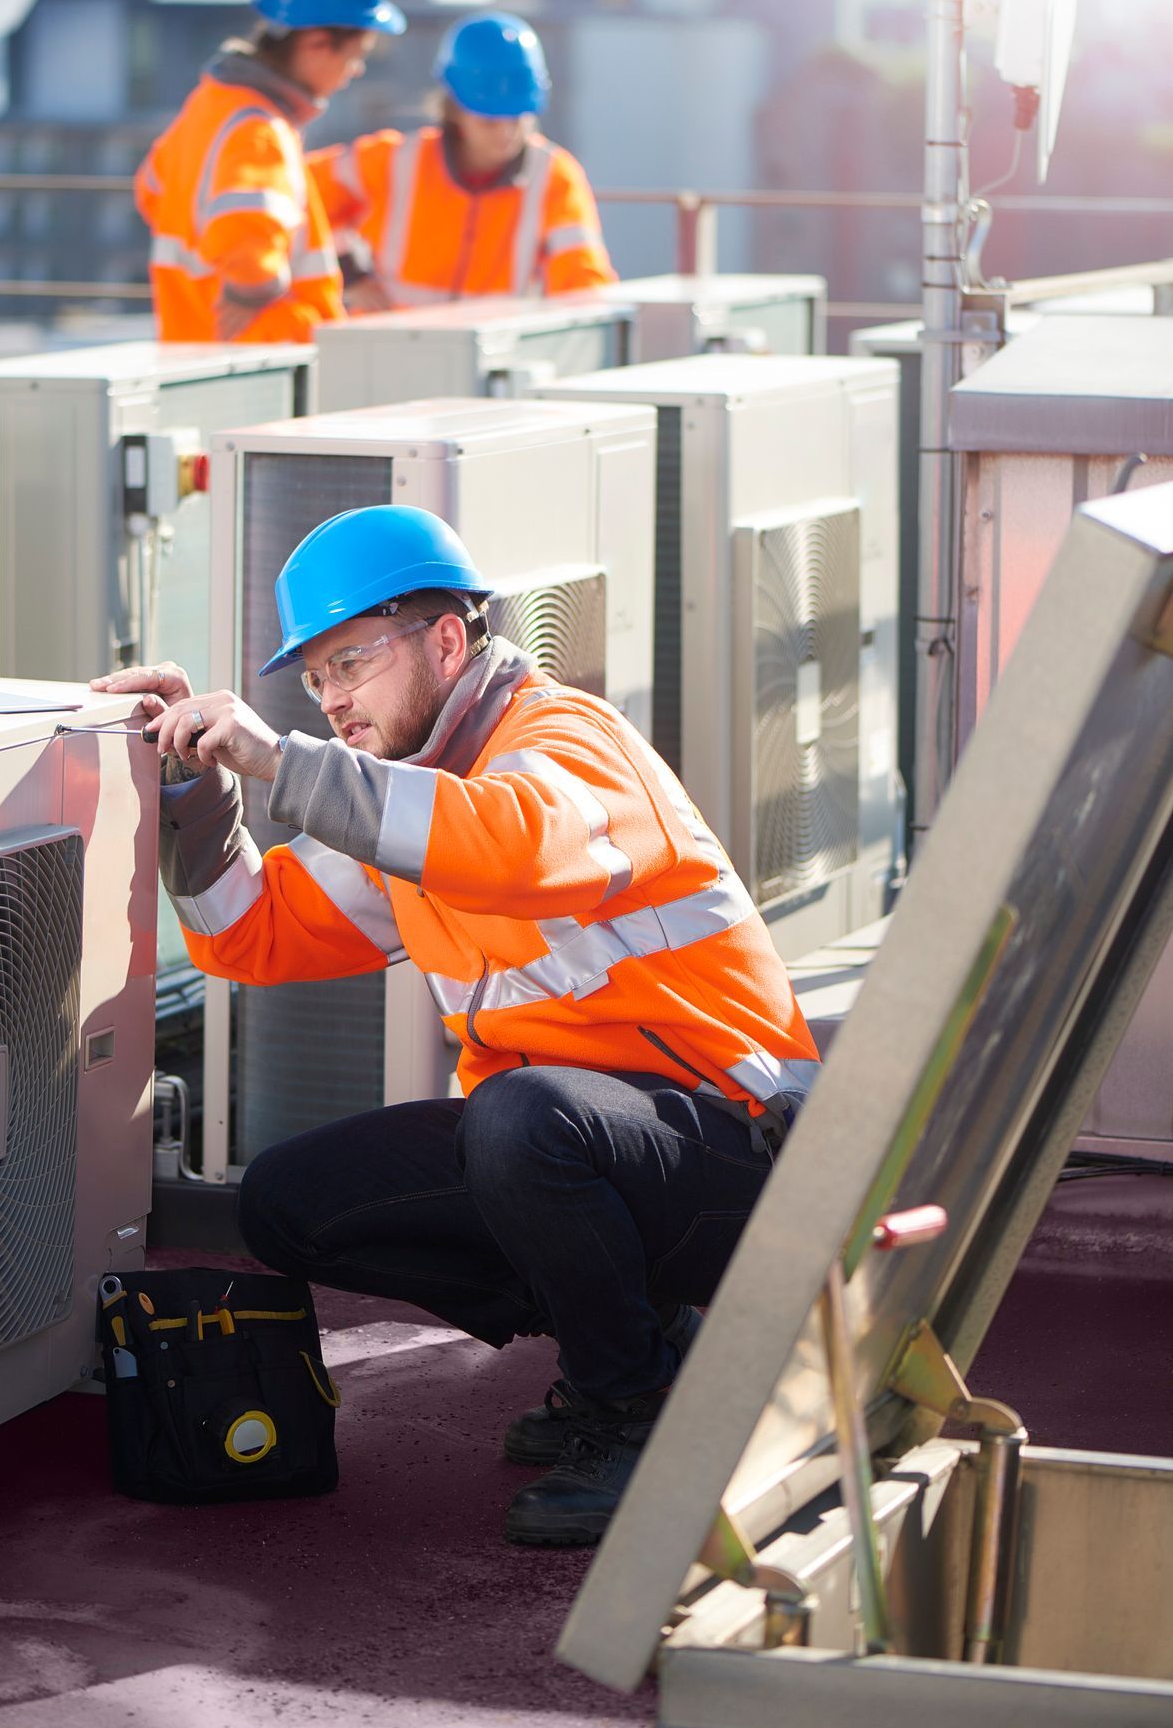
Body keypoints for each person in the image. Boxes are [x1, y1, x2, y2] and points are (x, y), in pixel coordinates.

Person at [92, 505, 818, 1548]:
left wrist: (282, 760)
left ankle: (639, 1410)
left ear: (446, 640)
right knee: (289, 1203)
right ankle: (641, 1333)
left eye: (351, 663)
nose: (334, 700)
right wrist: (195, 787)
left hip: (745, 1162)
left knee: (518, 1121)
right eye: (314, 679)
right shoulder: (417, 800)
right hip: (592, 1154)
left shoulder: (568, 743)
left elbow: (515, 845)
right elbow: (248, 934)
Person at [135, 0, 406, 344]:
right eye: (355, 55)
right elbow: (246, 242)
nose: (356, 71)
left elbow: (151, 190)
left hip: (192, 340)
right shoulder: (260, 130)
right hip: (260, 357)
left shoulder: (211, 105)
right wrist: (255, 289)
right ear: (316, 44)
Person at [306, 12, 615, 310]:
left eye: (518, 118)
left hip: (490, 355)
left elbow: (581, 280)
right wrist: (350, 272)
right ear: (454, 110)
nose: (507, 133)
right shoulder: (396, 161)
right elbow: (302, 190)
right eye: (490, 121)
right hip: (391, 347)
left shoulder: (554, 176)